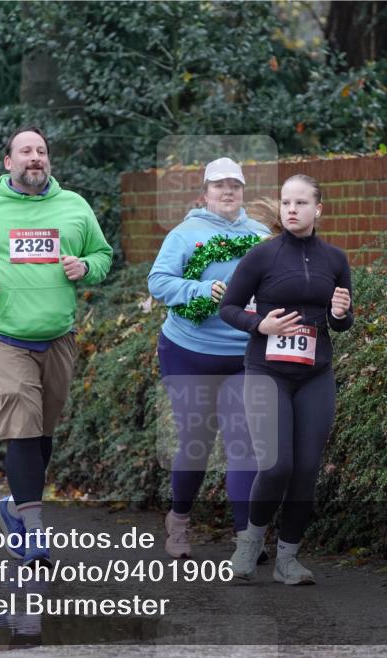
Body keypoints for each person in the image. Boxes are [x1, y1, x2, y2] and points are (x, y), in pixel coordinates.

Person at [0, 126, 112, 566]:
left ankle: (14, 509)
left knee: (41, 433)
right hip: (3, 335)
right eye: (25, 151)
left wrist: (85, 266)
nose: (35, 157)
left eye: (41, 151)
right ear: (8, 162)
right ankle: (33, 534)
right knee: (20, 422)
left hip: (58, 336)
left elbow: (103, 256)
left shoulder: (73, 207)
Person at [219, 174, 353, 584]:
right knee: (276, 465)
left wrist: (339, 313)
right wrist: (260, 325)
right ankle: (250, 542)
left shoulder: (335, 259)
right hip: (267, 371)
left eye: (300, 203)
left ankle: (288, 559)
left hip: (315, 374)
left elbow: (341, 323)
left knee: (306, 469)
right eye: (286, 202)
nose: (291, 209)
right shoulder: (262, 256)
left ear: (318, 209)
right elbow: (229, 308)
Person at [148, 157, 272, 560]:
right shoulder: (185, 234)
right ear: (205, 192)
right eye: (219, 185)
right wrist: (201, 292)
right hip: (188, 351)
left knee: (243, 445)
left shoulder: (261, 235)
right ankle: (179, 521)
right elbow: (158, 281)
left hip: (243, 354)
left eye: (234, 185)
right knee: (196, 442)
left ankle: (246, 539)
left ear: (243, 192)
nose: (227, 192)